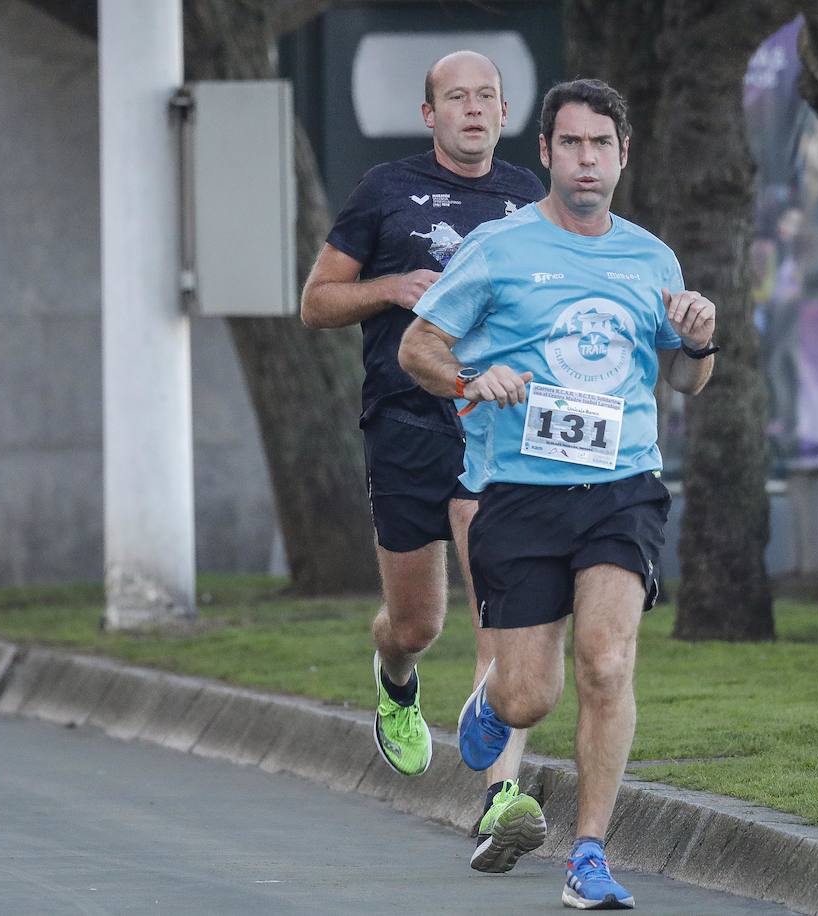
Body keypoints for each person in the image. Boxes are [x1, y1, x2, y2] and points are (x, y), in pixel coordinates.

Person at [399, 78, 717, 910]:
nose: (586, 160)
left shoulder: (652, 258)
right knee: (529, 694)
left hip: (623, 488)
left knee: (607, 663)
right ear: (544, 152)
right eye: (570, 144)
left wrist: (700, 339)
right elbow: (417, 346)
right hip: (522, 495)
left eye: (600, 146)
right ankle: (492, 699)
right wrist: (473, 375)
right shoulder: (500, 248)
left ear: (622, 154)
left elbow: (688, 380)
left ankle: (589, 856)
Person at [299, 50, 547, 874]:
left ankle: (501, 797)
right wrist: (391, 286)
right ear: (430, 112)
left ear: (505, 112)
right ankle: (395, 677)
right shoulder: (384, 190)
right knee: (420, 623)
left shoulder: (528, 202)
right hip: (405, 420)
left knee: (500, 613)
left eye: (487, 98)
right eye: (456, 98)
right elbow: (316, 302)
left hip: (495, 427)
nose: (473, 110)